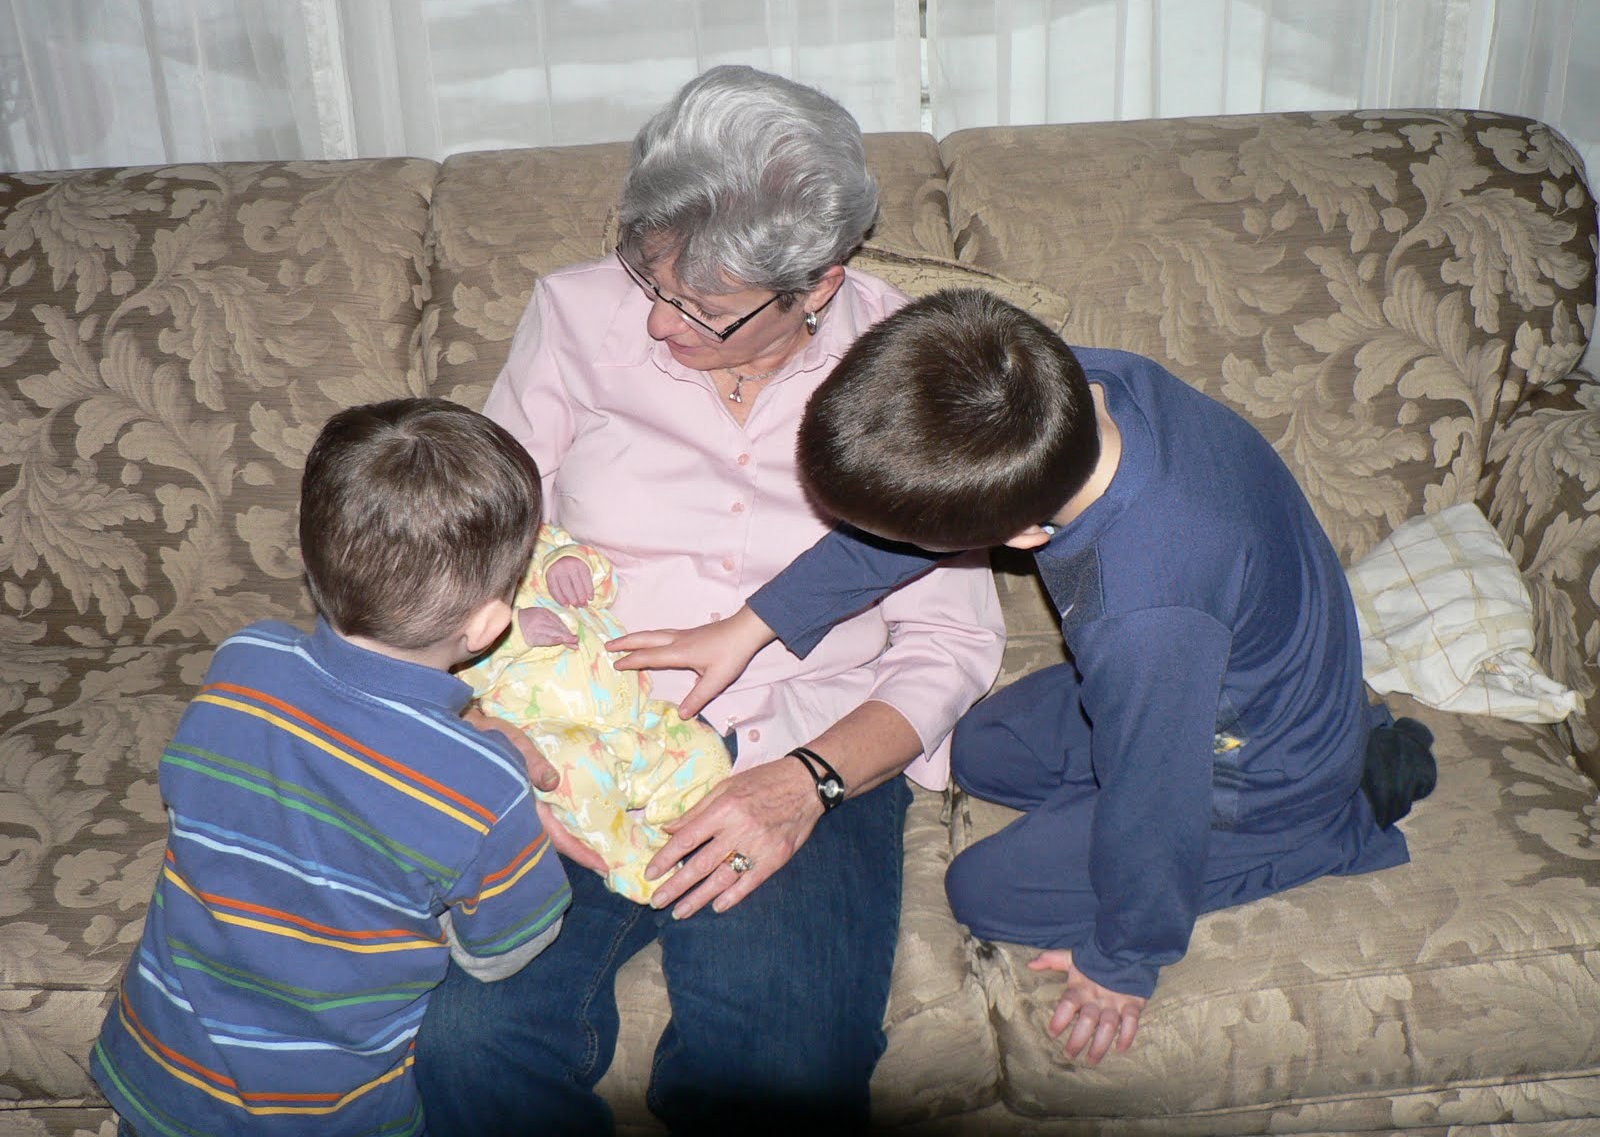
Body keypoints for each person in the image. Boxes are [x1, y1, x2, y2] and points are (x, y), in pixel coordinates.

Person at [614, 287, 1436, 1070]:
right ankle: (1234, 773)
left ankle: (1337, 812)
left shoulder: (1144, 610)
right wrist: (750, 626)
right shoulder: (1062, 387)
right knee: (981, 747)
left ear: (1021, 537)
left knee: (986, 892)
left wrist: (1124, 960)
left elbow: (1155, 796)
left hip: (1256, 765)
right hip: (1225, 669)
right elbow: (907, 525)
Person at [413, 68, 1004, 1134]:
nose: (656, 322)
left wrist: (807, 782)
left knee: (778, 1074)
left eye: (704, 308)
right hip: (580, 733)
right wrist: (485, 738)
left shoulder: (916, 368)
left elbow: (949, 646)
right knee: (466, 1045)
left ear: (816, 286)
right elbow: (462, 546)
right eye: (649, 276)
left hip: (801, 738)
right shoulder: (575, 315)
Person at [89, 398, 572, 1136]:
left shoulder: (242, 662)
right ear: (488, 624)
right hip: (321, 1114)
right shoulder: (488, 785)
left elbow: (195, 791)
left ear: (308, 557)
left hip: (157, 1081)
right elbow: (502, 954)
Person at [458, 521, 732, 903]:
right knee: (575, 767)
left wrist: (572, 562)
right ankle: (630, 861)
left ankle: (672, 836)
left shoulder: (539, 540)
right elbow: (457, 673)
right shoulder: (455, 587)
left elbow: (605, 585)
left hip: (633, 716)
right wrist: (513, 634)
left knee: (700, 745)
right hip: (553, 731)